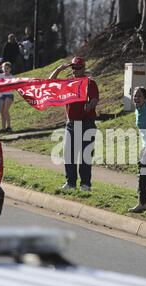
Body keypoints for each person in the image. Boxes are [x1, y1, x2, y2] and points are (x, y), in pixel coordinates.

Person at [49, 56, 99, 192]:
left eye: (78, 68)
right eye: (73, 68)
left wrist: (87, 108)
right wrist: (59, 69)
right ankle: (70, 183)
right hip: (71, 125)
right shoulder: (68, 83)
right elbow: (50, 82)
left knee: (85, 156)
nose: (75, 70)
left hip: (86, 124)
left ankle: (85, 185)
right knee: (69, 155)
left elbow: (94, 99)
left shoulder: (90, 83)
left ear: (83, 68)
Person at [0, 62, 14, 133]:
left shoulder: (12, 77)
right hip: (2, 95)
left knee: (5, 110)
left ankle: (9, 126)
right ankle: (3, 128)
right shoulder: (0, 76)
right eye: (4, 68)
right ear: (2, 68)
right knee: (1, 111)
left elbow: (13, 87)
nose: (6, 69)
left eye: (7, 68)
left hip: (9, 94)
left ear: (10, 69)